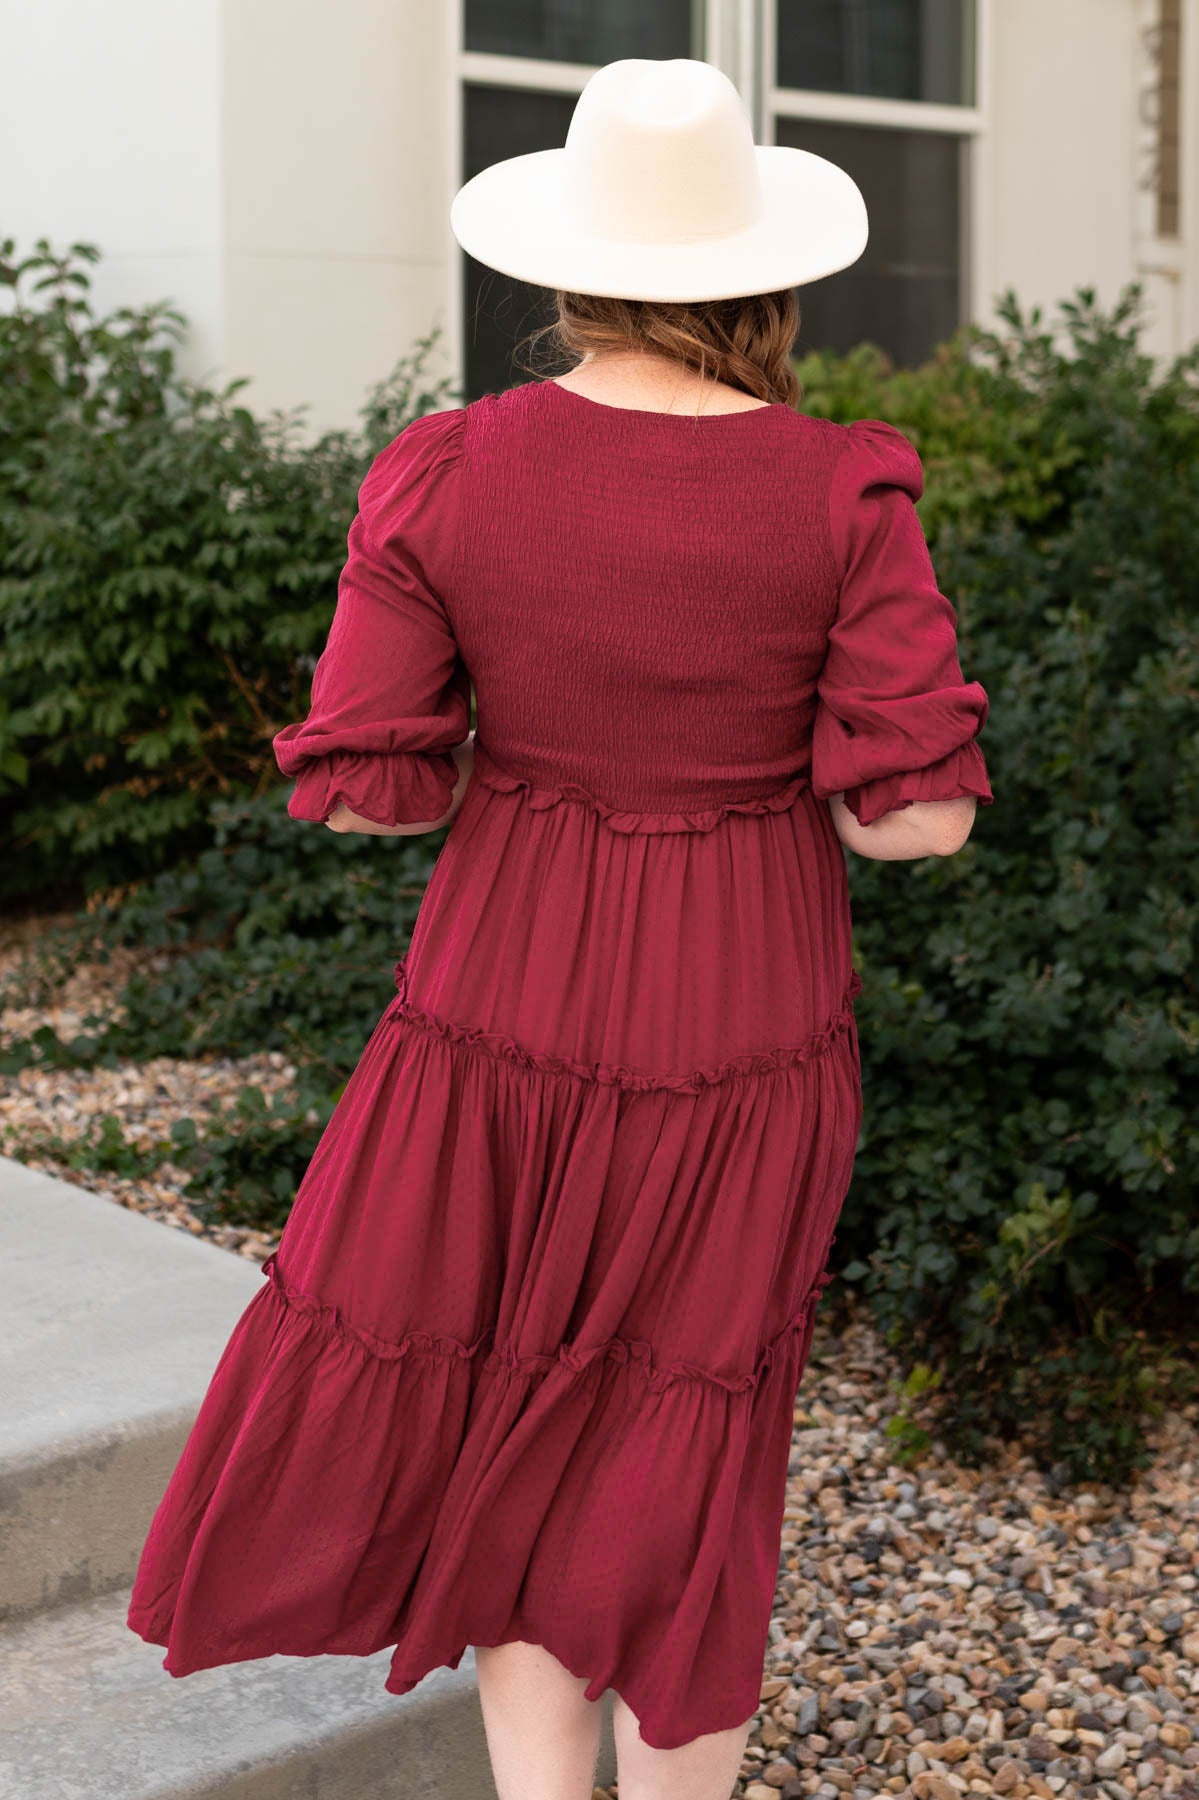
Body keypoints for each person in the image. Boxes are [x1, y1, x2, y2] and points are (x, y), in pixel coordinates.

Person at [126, 55, 994, 1800]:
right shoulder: (843, 489)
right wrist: (801, 768)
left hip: (497, 993)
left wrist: (504, 745)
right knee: (681, 1433)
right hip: (741, 1013)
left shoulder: (446, 471)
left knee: (516, 1412)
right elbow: (918, 821)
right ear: (765, 273)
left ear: (570, 271)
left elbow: (377, 787)